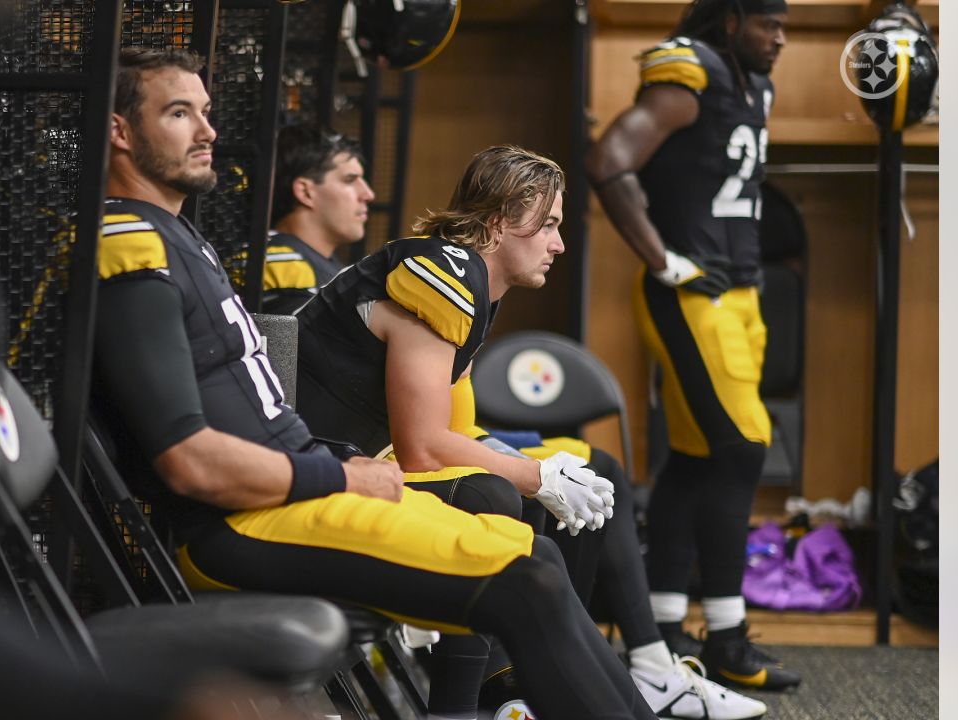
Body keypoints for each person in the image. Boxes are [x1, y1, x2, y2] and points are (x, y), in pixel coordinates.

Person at [88, 46, 658, 720]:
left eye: (206, 113)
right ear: (120, 131)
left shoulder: (176, 235)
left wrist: (343, 466)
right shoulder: (131, 244)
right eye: (180, 112)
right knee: (523, 569)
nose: (209, 131)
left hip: (294, 484)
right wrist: (344, 475)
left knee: (535, 556)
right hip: (236, 522)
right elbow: (189, 460)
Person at [295, 146, 765, 720]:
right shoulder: (449, 270)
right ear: (499, 222)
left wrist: (543, 475)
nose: (559, 244)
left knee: (548, 492)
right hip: (308, 467)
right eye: (548, 225)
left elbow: (456, 429)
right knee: (491, 494)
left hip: (349, 456)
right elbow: (421, 447)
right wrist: (533, 472)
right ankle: (480, 703)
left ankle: (523, 696)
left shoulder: (472, 280)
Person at [586, 0, 801, 691]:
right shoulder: (691, 73)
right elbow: (609, 158)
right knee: (743, 447)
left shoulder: (750, 83)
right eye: (771, 23)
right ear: (732, 18)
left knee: (696, 452)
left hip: (738, 289)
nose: (781, 38)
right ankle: (729, 636)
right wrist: (662, 259)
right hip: (692, 291)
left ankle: (665, 624)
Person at [262, 123, 374, 315]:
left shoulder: (317, 262)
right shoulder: (278, 260)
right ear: (306, 191)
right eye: (349, 180)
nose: (368, 194)